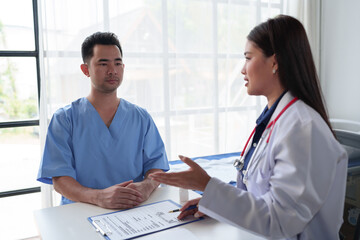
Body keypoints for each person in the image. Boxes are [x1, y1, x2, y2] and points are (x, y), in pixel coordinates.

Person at [150, 15, 348, 239]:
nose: (242, 70)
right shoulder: (274, 120)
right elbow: (259, 195)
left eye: (248, 58)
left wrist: (208, 186)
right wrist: (215, 204)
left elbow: (280, 222)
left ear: (274, 62)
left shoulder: (303, 129)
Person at [37, 32, 169, 209]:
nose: (112, 70)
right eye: (103, 63)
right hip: (80, 210)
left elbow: (156, 165)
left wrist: (146, 186)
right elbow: (60, 180)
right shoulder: (64, 119)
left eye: (117, 63)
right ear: (86, 70)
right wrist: (99, 197)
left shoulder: (141, 117)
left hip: (134, 208)